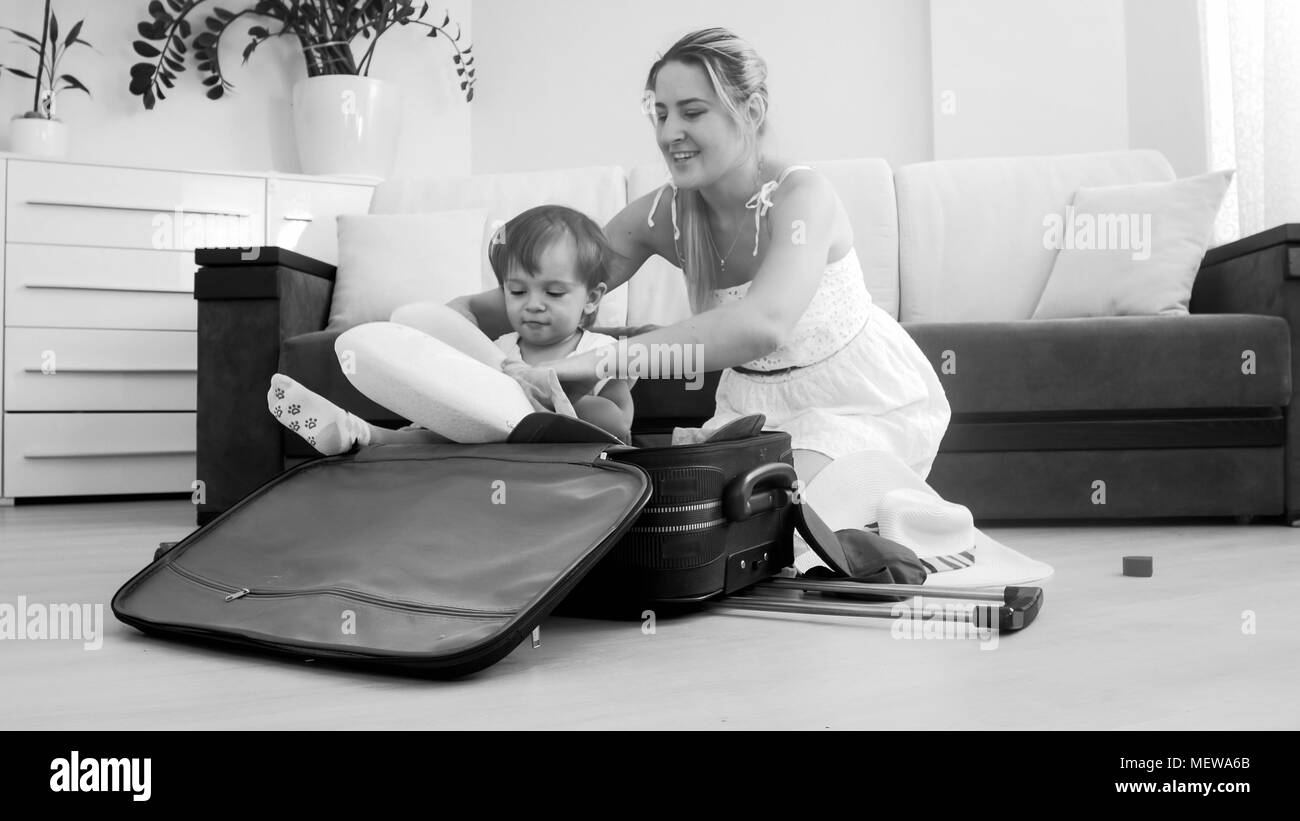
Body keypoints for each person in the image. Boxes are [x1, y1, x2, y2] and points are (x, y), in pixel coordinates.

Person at [448, 27, 952, 574]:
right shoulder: (662, 214)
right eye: (660, 114)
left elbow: (764, 323)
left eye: (691, 112)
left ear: (751, 109)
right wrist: (453, 325)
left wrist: (602, 359)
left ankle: (892, 522)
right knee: (702, 534)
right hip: (752, 407)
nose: (670, 133)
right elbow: (553, 284)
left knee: (786, 525)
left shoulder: (802, 197)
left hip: (853, 398)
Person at [267, 205, 635, 453]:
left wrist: (555, 390)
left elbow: (620, 426)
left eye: (554, 292)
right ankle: (358, 434)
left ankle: (370, 437)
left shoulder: (600, 349)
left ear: (591, 298)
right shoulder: (502, 347)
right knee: (440, 430)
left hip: (563, 452)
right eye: (517, 290)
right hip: (490, 441)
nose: (533, 304)